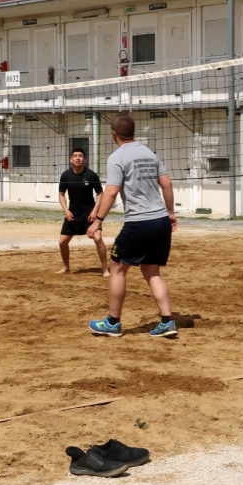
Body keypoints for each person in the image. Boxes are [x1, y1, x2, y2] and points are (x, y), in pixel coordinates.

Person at [87, 114, 178, 338]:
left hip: (139, 221)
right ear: (134, 132)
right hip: (160, 221)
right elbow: (166, 182)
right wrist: (171, 212)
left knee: (117, 268)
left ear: (114, 134)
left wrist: (98, 221)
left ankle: (112, 322)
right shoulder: (149, 153)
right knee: (152, 271)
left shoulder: (117, 157)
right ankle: (167, 321)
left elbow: (111, 191)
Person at [57, 148, 109, 277]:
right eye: (75, 156)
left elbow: (100, 193)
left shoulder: (91, 175)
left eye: (80, 156)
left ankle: (105, 269)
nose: (78, 158)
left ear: (84, 160)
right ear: (71, 159)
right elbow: (61, 194)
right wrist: (65, 210)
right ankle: (66, 267)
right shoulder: (66, 175)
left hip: (89, 214)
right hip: (73, 214)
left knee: (98, 238)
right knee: (62, 242)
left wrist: (95, 211)